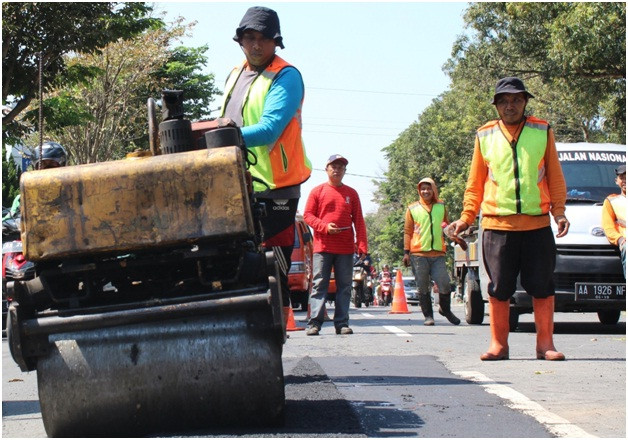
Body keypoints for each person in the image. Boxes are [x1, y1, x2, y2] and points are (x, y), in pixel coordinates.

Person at [449, 77, 569, 361]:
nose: (510, 105)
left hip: (537, 224)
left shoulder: (542, 130)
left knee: (542, 286)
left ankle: (545, 345)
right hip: (496, 225)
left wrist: (559, 212)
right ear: (496, 105)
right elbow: (475, 183)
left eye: (516, 99)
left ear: (525, 102)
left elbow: (554, 175)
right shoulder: (485, 135)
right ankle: (498, 345)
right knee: (498, 287)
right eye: (504, 101)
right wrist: (466, 218)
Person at [219, 6, 311, 321]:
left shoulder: (287, 76)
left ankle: (267, 342)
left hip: (276, 190)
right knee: (236, 269)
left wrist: (217, 139)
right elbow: (226, 123)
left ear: (275, 42)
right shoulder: (235, 74)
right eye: (249, 38)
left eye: (262, 38)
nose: (256, 45)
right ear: (240, 41)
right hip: (237, 185)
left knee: (271, 274)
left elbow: (270, 128)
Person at [303, 154, 367, 335]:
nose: (337, 170)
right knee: (319, 284)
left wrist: (362, 245)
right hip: (322, 248)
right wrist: (324, 227)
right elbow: (308, 215)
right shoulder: (317, 191)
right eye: (333, 166)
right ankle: (314, 323)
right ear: (326, 169)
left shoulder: (351, 193)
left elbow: (359, 221)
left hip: (345, 249)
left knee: (345, 286)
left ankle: (342, 323)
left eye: (340, 167)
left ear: (345, 171)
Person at [402, 178, 460, 326]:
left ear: (433, 189)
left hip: (438, 253)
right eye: (422, 189)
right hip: (418, 254)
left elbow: (445, 225)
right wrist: (406, 252)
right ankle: (428, 316)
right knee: (422, 286)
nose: (425, 191)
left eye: (428, 188)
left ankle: (445, 310)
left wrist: (454, 235)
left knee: (445, 283)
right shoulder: (412, 208)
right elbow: (408, 232)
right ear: (419, 191)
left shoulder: (441, 206)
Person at [3, 142, 68, 221]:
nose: (48, 169)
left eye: (52, 164)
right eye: (43, 165)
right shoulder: (24, 197)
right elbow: (9, 219)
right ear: (35, 168)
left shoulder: (72, 192)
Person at [602, 164, 626, 278]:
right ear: (616, 181)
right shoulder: (611, 201)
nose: (625, 180)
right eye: (622, 177)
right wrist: (620, 239)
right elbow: (608, 227)